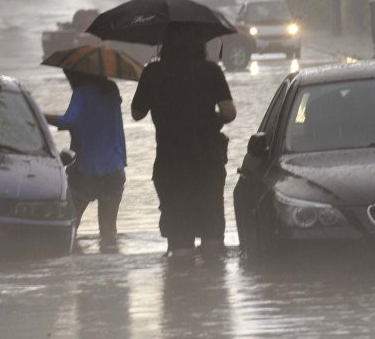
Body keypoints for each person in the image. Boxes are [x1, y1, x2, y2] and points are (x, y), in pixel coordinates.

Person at [131, 25, 237, 257]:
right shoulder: (211, 71)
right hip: (207, 162)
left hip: (171, 164)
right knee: (212, 236)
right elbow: (229, 112)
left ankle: (181, 286)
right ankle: (211, 285)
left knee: (180, 240)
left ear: (166, 44)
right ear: (199, 44)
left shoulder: (153, 72)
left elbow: (136, 113)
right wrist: (211, 118)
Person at [45, 70, 127, 251]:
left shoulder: (81, 94)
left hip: (86, 170)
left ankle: (76, 269)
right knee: (108, 232)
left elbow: (68, 121)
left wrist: (39, 115)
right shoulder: (112, 91)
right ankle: (111, 276)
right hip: (114, 168)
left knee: (71, 227)